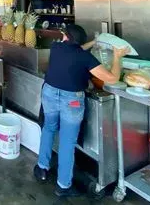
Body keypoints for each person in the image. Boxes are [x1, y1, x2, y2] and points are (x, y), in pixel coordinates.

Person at [33, 24, 129, 197]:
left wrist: (93, 42)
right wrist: (117, 56)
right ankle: (62, 185)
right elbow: (112, 78)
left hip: (49, 93)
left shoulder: (56, 48)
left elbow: (75, 49)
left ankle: (41, 168)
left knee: (48, 128)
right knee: (67, 141)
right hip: (72, 100)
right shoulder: (84, 58)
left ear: (66, 37)